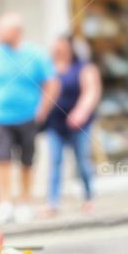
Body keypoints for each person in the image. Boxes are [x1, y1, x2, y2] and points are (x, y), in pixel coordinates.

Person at [0, 12, 57, 224]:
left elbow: (52, 83)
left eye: (3, 29)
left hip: (28, 116)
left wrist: (43, 109)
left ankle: (24, 202)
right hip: (0, 116)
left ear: (16, 31)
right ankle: (4, 202)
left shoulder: (36, 55)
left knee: (27, 160)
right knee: (2, 159)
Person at [39, 35, 101, 215]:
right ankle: (52, 202)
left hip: (79, 124)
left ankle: (89, 198)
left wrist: (81, 111)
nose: (58, 51)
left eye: (62, 47)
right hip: (55, 124)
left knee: (82, 160)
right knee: (55, 161)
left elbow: (92, 91)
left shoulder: (84, 68)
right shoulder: (49, 69)